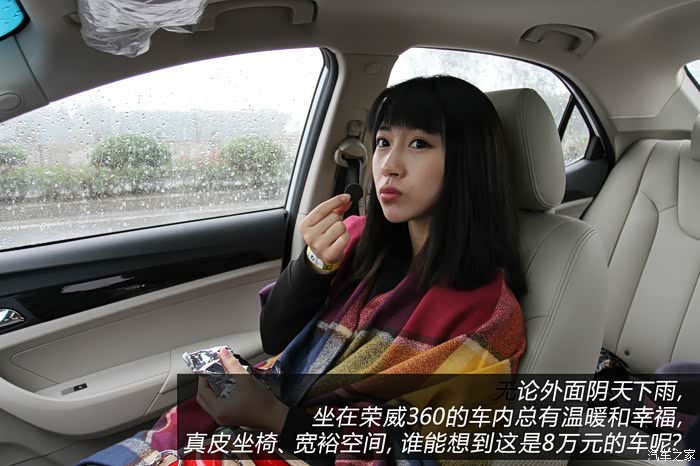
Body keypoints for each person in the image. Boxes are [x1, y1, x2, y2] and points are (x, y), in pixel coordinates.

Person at [77, 75, 527, 466]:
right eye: (383, 142)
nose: (388, 166)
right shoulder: (354, 240)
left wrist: (272, 417)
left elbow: (427, 455)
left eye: (420, 144)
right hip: (258, 424)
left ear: (468, 162)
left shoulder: (488, 316)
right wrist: (312, 266)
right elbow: (276, 338)